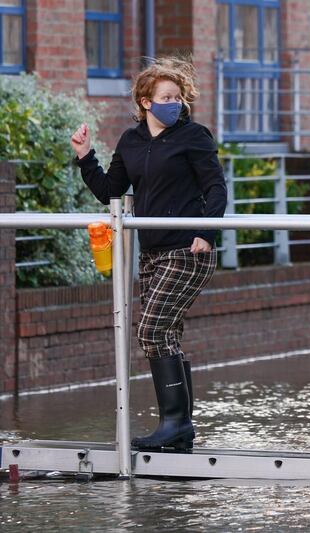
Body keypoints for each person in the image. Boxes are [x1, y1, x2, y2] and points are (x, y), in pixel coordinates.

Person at [70, 57, 227, 451]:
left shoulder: (194, 136)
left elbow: (216, 189)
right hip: (152, 252)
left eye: (178, 97)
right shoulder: (131, 141)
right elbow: (111, 190)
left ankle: (174, 424)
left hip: (189, 249)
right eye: (165, 97)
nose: (173, 103)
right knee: (167, 333)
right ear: (145, 101)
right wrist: (86, 156)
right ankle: (181, 429)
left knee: (151, 329)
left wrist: (207, 233)